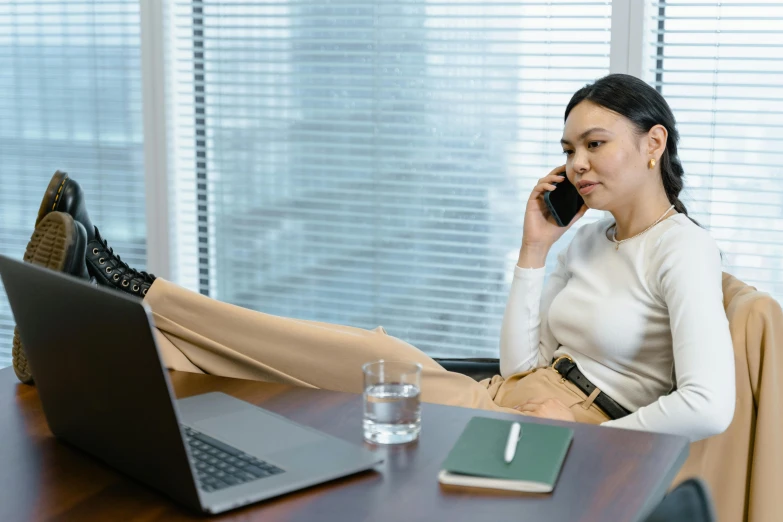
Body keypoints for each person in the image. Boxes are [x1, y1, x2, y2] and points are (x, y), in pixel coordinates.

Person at [11, 73, 734, 444]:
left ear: (653, 142)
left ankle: (114, 294)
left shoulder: (682, 249)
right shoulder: (587, 239)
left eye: (594, 144)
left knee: (307, 363)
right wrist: (532, 253)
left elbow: (709, 406)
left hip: (560, 429)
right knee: (324, 351)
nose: (575, 164)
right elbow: (518, 365)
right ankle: (94, 323)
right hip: (508, 397)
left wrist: (590, 432)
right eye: (566, 149)